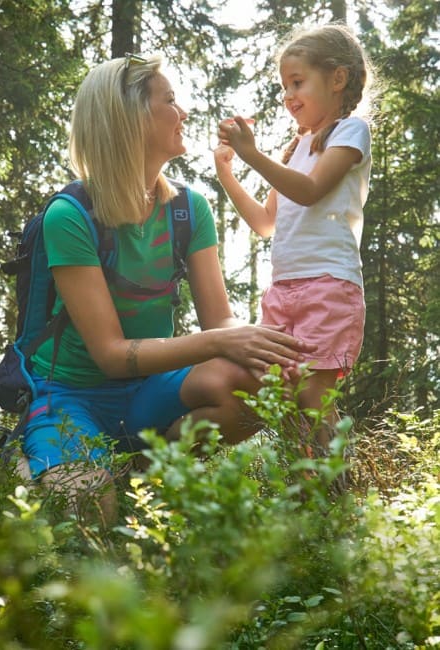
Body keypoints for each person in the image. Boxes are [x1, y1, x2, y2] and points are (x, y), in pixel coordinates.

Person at [21, 52, 316, 526]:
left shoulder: (187, 210)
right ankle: (50, 458)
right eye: (170, 101)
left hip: (148, 392)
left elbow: (219, 321)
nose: (184, 113)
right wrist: (223, 340)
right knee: (90, 510)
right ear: (131, 117)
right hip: (71, 396)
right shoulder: (69, 217)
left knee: (259, 383)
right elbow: (112, 355)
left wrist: (252, 343)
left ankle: (144, 471)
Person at [214, 24, 374, 454]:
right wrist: (228, 173)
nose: (288, 95)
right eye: (285, 86)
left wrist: (251, 154)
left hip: (328, 284)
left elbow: (310, 190)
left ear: (337, 79)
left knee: (312, 394)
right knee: (281, 393)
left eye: (298, 82)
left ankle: (337, 499)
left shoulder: (349, 132)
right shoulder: (295, 146)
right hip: (284, 290)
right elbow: (267, 223)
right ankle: (306, 495)